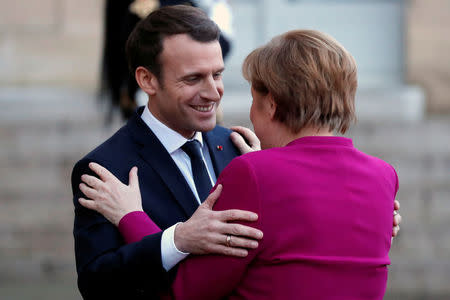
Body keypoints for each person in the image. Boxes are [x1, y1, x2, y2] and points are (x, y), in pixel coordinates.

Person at [79, 29, 402, 299]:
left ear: (271, 104)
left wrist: (131, 217)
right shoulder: (383, 177)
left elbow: (185, 290)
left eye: (253, 99)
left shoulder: (254, 172)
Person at [72, 5, 263, 299]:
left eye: (217, 74)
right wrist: (177, 241)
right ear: (147, 80)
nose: (213, 92)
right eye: (193, 79)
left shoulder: (240, 149)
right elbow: (97, 284)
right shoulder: (106, 168)